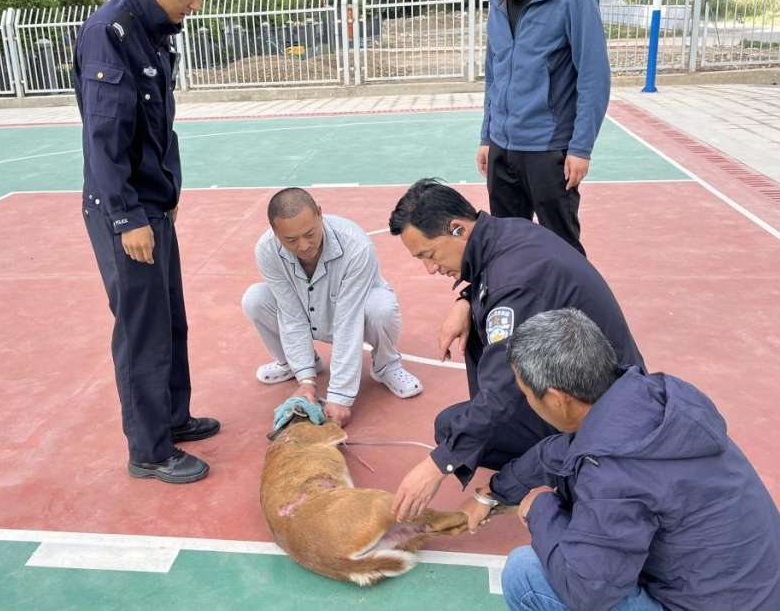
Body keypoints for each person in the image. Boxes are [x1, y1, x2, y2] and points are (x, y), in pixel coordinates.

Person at [462, 308, 780, 611]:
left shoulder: (612, 475)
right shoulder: (650, 400)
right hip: (754, 593)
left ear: (558, 399)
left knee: (525, 574)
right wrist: (495, 493)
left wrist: (541, 508)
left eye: (527, 394)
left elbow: (586, 591)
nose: (527, 401)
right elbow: (558, 452)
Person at [387, 179, 644, 522]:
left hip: (598, 412)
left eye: (429, 255)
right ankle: (552, 465)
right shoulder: (508, 235)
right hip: (597, 386)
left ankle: (575, 473)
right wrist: (465, 300)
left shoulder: (514, 281)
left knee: (456, 432)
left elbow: (501, 390)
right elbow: (499, 282)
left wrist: (438, 465)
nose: (430, 269)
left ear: (458, 228)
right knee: (456, 427)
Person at [73, 0, 226, 484]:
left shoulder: (155, 32)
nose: (196, 5)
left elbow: (159, 129)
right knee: (142, 332)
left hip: (153, 207)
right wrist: (126, 217)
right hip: (127, 212)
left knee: (170, 321)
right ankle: (149, 450)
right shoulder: (110, 33)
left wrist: (169, 193)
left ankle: (173, 419)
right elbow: (104, 141)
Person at [468, 0, 610, 255]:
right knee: (507, 247)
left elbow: (593, 77)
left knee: (561, 250)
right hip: (502, 147)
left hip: (548, 149)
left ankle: (572, 294)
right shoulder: (498, 3)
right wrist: (487, 136)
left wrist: (581, 148)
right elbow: (494, 71)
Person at [242, 188, 422, 427]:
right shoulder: (267, 250)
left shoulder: (356, 245)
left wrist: (340, 397)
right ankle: (294, 366)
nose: (304, 246)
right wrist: (306, 380)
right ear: (275, 232)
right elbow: (290, 313)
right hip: (307, 311)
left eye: (309, 234)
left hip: (356, 314)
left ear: (320, 214)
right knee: (255, 299)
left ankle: (386, 365)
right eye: (291, 240)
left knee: (381, 307)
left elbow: (348, 320)